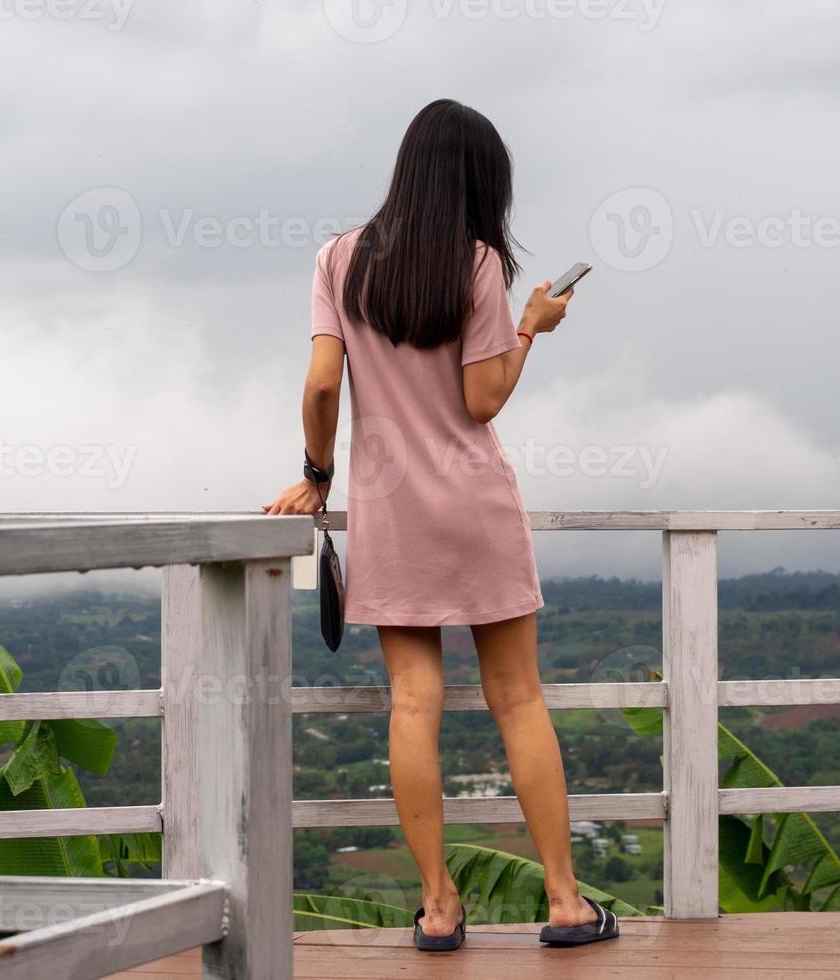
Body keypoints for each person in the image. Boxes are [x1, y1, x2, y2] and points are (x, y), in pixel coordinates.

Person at [264, 99, 619, 952]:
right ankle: (566, 905)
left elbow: (320, 386)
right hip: (475, 506)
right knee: (519, 700)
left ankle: (435, 907)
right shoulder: (477, 262)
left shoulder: (337, 259)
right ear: (478, 182)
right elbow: (481, 398)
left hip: (392, 515)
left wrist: (318, 475)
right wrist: (532, 327)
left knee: (413, 704)